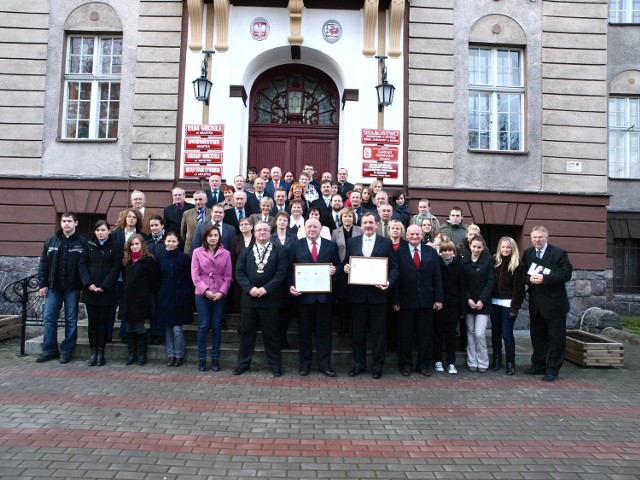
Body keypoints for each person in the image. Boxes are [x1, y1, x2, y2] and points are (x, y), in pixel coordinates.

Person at [343, 211, 399, 379]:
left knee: (379, 334)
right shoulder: (352, 242)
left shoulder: (386, 243)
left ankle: (377, 366)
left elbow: (395, 268)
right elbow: (347, 262)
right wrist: (346, 268)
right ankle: (358, 365)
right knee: (358, 333)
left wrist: (388, 282)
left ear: (376, 224)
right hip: (358, 296)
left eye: (370, 223)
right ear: (361, 225)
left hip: (378, 295)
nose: (367, 225)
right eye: (365, 223)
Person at [233, 221, 289, 377]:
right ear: (254, 232)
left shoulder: (279, 251)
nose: (262, 232)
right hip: (249, 300)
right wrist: (250, 288)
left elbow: (281, 273)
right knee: (246, 335)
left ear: (270, 233)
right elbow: (239, 273)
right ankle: (242, 364)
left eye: (265, 230)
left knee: (272, 336)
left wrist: (266, 288)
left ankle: (276, 366)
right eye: (259, 230)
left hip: (270, 301)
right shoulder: (245, 251)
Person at [289, 218, 342, 377]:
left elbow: (338, 266)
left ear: (321, 229)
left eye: (315, 227)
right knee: (304, 332)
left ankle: (325, 365)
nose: (312, 229)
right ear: (304, 228)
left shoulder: (330, 245)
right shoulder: (295, 245)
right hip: (303, 298)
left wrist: (335, 271)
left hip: (324, 298)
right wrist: (291, 285)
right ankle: (305, 365)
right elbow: (288, 269)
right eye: (309, 226)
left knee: (324, 333)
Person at [522, 226, 573, 382]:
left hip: (554, 305)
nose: (537, 240)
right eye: (534, 237)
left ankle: (552, 370)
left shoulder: (559, 253)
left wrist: (545, 278)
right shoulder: (528, 253)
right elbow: (523, 274)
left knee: (555, 338)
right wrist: (528, 279)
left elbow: (566, 274)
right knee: (537, 337)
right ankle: (538, 365)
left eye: (540, 237)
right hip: (536, 305)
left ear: (546, 237)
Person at [35, 212, 87, 364]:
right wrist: (42, 284)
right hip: (53, 288)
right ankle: (50, 350)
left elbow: (85, 266)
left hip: (73, 288)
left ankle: (67, 351)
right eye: (63, 221)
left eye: (69, 221)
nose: (66, 224)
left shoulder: (82, 242)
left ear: (75, 223)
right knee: (49, 318)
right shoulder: (52, 241)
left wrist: (84, 285)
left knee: (71, 319)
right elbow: (43, 264)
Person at [391, 225, 443, 376]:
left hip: (426, 300)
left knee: (425, 335)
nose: (414, 236)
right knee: (405, 335)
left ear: (422, 235)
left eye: (417, 234)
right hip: (405, 301)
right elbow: (396, 277)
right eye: (411, 234)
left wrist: (438, 298)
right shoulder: (399, 253)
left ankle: (423, 365)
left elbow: (437, 277)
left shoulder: (431, 252)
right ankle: (405, 364)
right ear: (406, 235)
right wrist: (395, 300)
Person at [79, 220, 122, 366]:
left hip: (106, 291)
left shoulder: (115, 246)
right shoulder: (88, 245)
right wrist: (89, 284)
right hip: (90, 290)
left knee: (103, 322)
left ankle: (101, 352)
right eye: (98, 230)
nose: (100, 233)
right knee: (93, 322)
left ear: (108, 231)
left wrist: (104, 286)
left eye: (103, 230)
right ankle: (93, 352)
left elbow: (116, 268)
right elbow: (82, 265)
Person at [191, 224, 232, 372]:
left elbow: (228, 277)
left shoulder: (226, 253)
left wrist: (221, 292)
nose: (213, 238)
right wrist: (205, 290)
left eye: (215, 235)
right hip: (202, 293)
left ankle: (215, 358)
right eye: (210, 235)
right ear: (205, 237)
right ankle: (202, 359)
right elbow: (195, 276)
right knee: (203, 325)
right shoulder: (197, 252)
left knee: (216, 325)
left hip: (219, 293)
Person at [119, 234, 160, 366]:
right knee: (129, 327)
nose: (134, 247)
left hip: (141, 298)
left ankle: (142, 355)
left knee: (139, 327)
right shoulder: (127, 260)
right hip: (127, 298)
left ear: (142, 245)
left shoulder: (148, 260)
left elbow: (154, 280)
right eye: (132, 244)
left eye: (137, 244)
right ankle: (132, 354)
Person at [156, 232, 194, 367]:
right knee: (167, 328)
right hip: (165, 296)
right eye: (168, 241)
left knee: (177, 329)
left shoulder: (185, 258)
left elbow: (190, 278)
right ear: (165, 242)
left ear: (178, 243)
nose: (171, 244)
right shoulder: (160, 258)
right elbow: (158, 278)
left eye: (173, 241)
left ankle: (179, 355)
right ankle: (170, 355)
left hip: (181, 296)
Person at [490, 236, 526, 375]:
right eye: (503, 247)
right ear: (499, 247)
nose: (505, 249)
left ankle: (510, 363)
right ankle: (497, 360)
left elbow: (519, 289)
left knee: (507, 334)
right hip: (494, 302)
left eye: (508, 247)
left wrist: (514, 308)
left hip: (508, 304)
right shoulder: (494, 261)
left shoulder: (518, 264)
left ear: (512, 248)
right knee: (495, 334)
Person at [461, 234, 494, 373]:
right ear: (470, 246)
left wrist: (482, 300)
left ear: (483, 248)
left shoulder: (488, 262)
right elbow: (462, 283)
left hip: (483, 304)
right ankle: (472, 360)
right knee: (470, 333)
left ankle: (483, 361)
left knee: (479, 333)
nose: (476, 249)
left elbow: (490, 282)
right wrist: (468, 299)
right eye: (474, 246)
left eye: (479, 247)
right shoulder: (464, 262)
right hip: (468, 303)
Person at [433, 240, 465, 375]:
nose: (447, 253)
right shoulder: (437, 265)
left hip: (453, 306)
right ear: (441, 252)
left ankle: (451, 362)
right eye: (444, 250)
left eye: (450, 250)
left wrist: (462, 309)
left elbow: (462, 288)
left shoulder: (459, 266)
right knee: (437, 335)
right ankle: (438, 360)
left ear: (454, 252)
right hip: (438, 306)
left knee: (451, 336)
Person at [331, 207, 363, 336]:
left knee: (353, 298)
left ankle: (352, 326)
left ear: (353, 218)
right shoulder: (335, 232)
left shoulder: (359, 230)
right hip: (341, 268)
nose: (347, 218)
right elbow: (333, 249)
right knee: (342, 299)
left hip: (356, 268)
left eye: (350, 216)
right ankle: (342, 325)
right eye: (345, 216)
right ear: (341, 218)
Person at [180, 191, 210, 255]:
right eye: (195, 200)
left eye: (200, 199)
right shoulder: (187, 214)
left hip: (208, 247)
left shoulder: (212, 213)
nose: (198, 202)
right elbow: (183, 232)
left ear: (206, 200)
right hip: (190, 248)